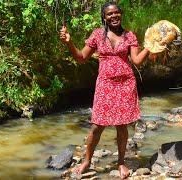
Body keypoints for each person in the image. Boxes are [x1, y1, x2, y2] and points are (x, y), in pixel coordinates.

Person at [60, 2, 151, 179]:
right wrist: (70, 43)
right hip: (105, 85)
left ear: (121, 15)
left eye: (117, 13)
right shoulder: (97, 35)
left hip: (125, 84)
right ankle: (87, 161)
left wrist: (150, 46)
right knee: (97, 126)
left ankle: (121, 162)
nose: (114, 16)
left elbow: (137, 61)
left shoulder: (129, 36)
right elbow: (81, 58)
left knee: (121, 125)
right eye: (110, 14)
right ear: (104, 17)